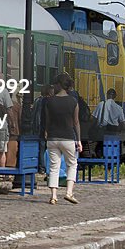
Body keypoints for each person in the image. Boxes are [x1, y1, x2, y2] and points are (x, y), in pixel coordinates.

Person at [44, 75, 81, 205]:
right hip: (68, 138)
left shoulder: (49, 101)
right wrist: (79, 140)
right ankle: (69, 193)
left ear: (59, 84)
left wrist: (47, 132)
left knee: (54, 166)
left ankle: (53, 196)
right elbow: (76, 122)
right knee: (72, 164)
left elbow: (47, 121)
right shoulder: (73, 101)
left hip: (53, 138)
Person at [92, 89, 125, 156]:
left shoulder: (101, 104)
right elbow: (123, 125)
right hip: (113, 132)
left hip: (102, 132)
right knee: (113, 149)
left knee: (99, 147)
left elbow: (93, 118)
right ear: (115, 96)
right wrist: (118, 131)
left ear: (107, 95)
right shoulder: (119, 108)